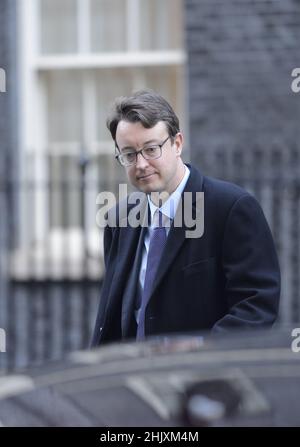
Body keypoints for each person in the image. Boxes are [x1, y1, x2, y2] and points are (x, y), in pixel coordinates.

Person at [91, 90, 280, 346]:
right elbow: (113, 316)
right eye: (129, 154)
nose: (141, 164)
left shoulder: (230, 208)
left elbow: (256, 307)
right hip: (136, 378)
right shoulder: (119, 219)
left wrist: (198, 350)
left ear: (177, 143)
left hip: (203, 379)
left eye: (151, 149)